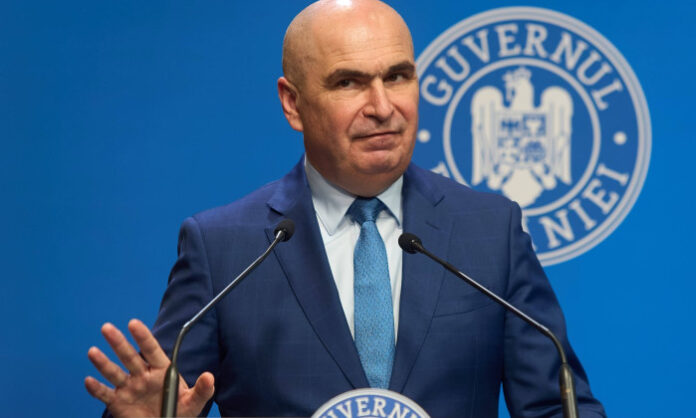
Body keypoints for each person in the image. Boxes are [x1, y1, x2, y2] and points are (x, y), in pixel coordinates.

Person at [85, 0, 606, 416]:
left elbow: (556, 407)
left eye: (397, 76)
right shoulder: (223, 248)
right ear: (293, 103)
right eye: (348, 82)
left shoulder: (490, 231)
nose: (382, 107)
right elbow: (167, 403)